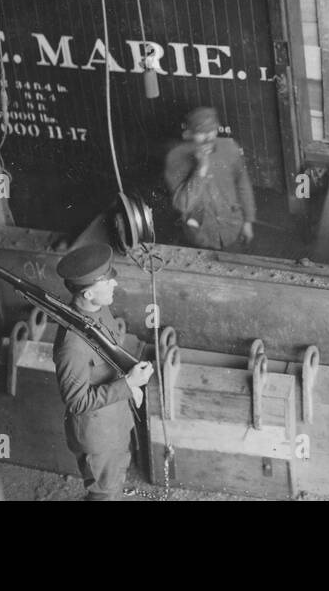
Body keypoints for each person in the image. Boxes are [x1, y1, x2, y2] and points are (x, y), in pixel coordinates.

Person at [53, 243, 153, 501]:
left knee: (115, 479)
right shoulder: (72, 344)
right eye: (107, 283)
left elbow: (112, 354)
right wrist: (128, 384)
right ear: (87, 294)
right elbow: (76, 401)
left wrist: (131, 389)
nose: (114, 285)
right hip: (97, 433)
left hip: (116, 418)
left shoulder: (99, 309)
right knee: (103, 492)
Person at [163, 106, 257, 251]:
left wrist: (248, 221)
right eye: (201, 133)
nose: (209, 137)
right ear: (188, 133)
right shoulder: (176, 157)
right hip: (199, 237)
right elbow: (183, 205)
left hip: (232, 230)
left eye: (212, 131)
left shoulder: (229, 147)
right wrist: (201, 169)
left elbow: (243, 185)